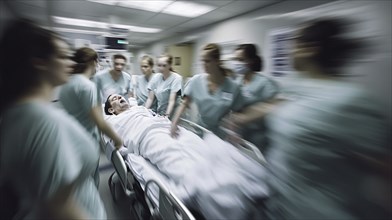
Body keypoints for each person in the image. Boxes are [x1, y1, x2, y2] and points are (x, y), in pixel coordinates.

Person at [261, 18, 391, 219]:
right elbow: (276, 105)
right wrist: (242, 118)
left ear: (309, 49)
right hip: (282, 204)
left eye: (293, 43)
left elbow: (384, 166)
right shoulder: (298, 84)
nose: (289, 50)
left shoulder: (349, 102)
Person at [0, 19, 106, 219]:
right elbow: (58, 206)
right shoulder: (45, 121)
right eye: (63, 56)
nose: (71, 63)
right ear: (39, 62)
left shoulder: (14, 114)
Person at [104, 93, 268, 220]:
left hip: (168, 129)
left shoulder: (139, 108)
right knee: (179, 162)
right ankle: (212, 191)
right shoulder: (114, 121)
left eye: (119, 95)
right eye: (114, 99)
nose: (119, 97)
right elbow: (117, 142)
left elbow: (153, 116)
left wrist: (161, 119)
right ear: (111, 110)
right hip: (148, 137)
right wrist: (125, 151)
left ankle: (232, 176)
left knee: (202, 150)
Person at [59, 47, 123, 186]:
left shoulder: (65, 84)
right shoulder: (87, 86)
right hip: (85, 141)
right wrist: (117, 139)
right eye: (97, 62)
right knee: (90, 184)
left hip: (69, 140)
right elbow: (100, 121)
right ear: (93, 62)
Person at [170, 43, 244, 138]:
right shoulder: (196, 81)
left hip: (220, 136)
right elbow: (184, 104)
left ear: (217, 61)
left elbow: (237, 114)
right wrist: (174, 123)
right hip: (200, 130)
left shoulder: (233, 87)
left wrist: (235, 132)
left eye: (207, 61)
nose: (204, 65)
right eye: (202, 61)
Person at [230, 44, 279, 151]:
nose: (236, 63)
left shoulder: (265, 83)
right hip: (240, 134)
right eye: (235, 59)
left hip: (258, 137)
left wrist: (250, 116)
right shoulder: (237, 82)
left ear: (251, 61)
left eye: (240, 59)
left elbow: (277, 107)